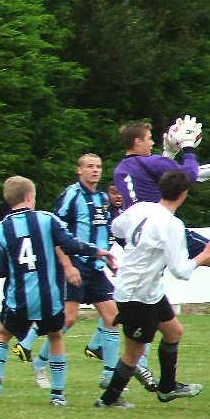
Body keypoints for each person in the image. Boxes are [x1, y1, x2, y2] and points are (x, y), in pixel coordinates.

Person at [11, 155, 153, 392]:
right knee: (68, 319)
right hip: (76, 264)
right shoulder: (72, 195)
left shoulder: (101, 199)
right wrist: (67, 265)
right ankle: (39, 362)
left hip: (95, 267)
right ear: (79, 170)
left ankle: (109, 375)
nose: (95, 171)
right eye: (90, 167)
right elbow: (56, 232)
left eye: (98, 167)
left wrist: (107, 259)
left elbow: (102, 231)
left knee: (113, 318)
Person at [0, 176, 115, 407]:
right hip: (49, 298)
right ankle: (58, 395)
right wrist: (98, 252)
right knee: (55, 336)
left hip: (18, 298)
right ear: (30, 197)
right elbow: (71, 244)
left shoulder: (1, 229)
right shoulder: (46, 219)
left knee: (2, 334)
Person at [96, 170, 210, 408]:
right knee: (135, 351)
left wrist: (137, 246)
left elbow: (117, 227)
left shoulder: (141, 208)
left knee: (174, 332)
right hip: (136, 294)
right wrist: (206, 254)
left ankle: (167, 388)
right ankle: (108, 401)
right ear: (184, 194)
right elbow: (181, 271)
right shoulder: (171, 224)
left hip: (148, 291)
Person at [114, 118, 210, 266]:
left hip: (141, 234)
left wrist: (169, 153)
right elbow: (189, 175)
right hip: (163, 228)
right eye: (149, 139)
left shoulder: (120, 170)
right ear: (137, 141)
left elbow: (156, 183)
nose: (152, 143)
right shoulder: (151, 162)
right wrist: (188, 145)